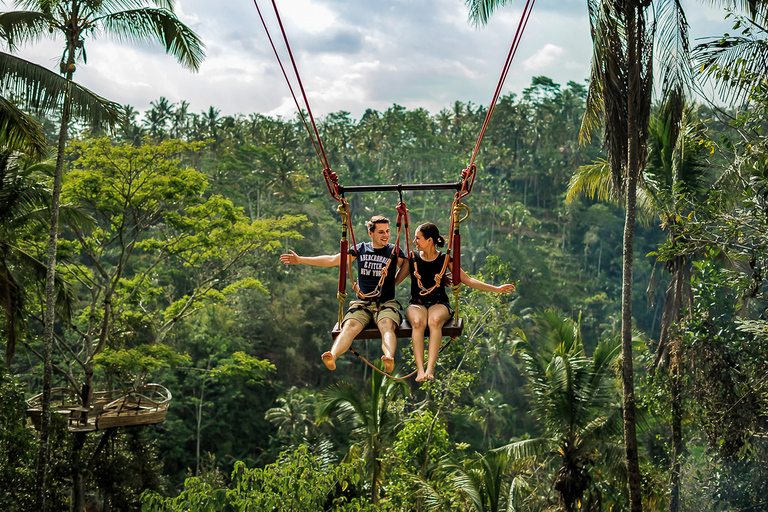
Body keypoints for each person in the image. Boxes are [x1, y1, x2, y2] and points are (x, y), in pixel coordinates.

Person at [280, 215, 408, 373]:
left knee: (387, 325)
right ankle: (332, 356)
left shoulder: (394, 251)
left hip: (385, 303)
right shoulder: (361, 249)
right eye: (381, 232)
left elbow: (408, 266)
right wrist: (301, 260)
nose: (386, 235)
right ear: (371, 233)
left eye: (387, 231)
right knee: (349, 326)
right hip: (363, 303)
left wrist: (395, 281)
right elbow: (332, 260)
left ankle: (388, 357)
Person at [406, 222, 515, 382]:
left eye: (418, 238)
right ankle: (420, 370)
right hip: (418, 302)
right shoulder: (413, 258)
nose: (415, 242)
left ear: (430, 240)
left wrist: (496, 289)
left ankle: (430, 368)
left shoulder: (444, 260)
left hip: (438, 303)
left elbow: (468, 280)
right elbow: (400, 276)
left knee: (434, 321)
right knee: (417, 322)